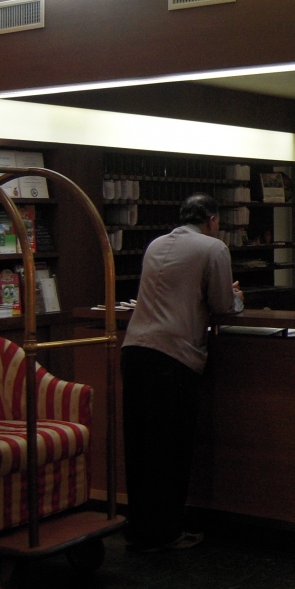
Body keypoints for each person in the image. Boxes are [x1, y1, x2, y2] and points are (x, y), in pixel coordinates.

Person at [119, 192, 242, 552]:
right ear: (212, 220)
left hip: (134, 350)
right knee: (170, 448)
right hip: (173, 357)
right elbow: (222, 304)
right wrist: (237, 296)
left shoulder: (156, 244)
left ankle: (139, 528)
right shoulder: (214, 248)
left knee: (140, 446)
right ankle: (166, 531)